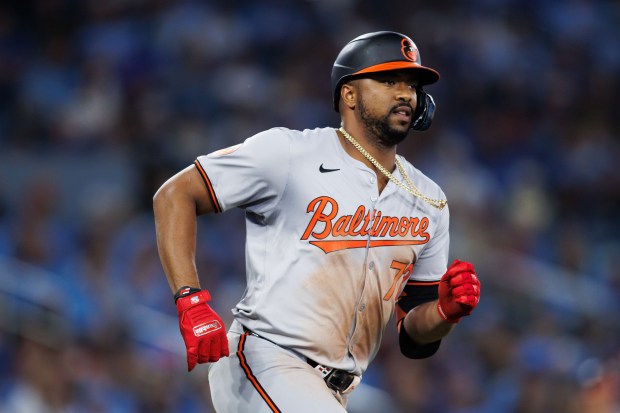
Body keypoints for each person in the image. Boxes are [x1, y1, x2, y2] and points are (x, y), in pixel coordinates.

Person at [153, 31, 481, 413]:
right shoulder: (290, 153)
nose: (405, 93)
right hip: (265, 360)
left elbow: (415, 339)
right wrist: (190, 300)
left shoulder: (429, 199)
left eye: (412, 84)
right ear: (350, 94)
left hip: (336, 388)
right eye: (389, 80)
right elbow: (175, 195)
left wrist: (445, 312)